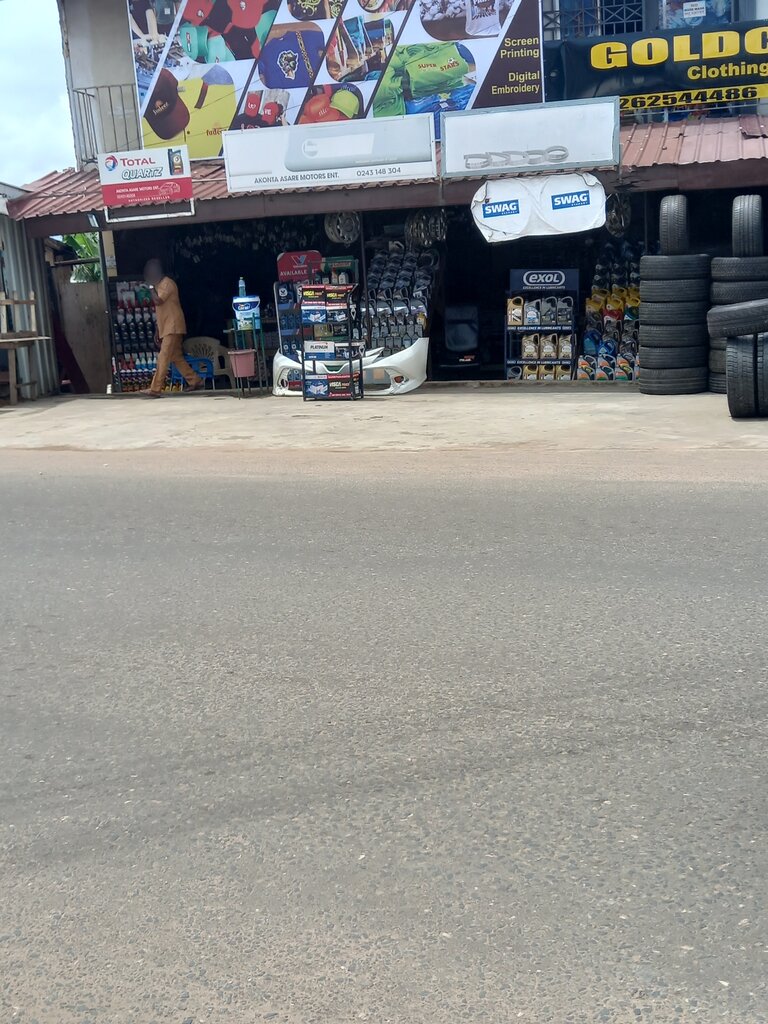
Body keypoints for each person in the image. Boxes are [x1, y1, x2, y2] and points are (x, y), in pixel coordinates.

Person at [143, 259, 203, 397]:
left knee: (163, 356)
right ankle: (195, 380)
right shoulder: (159, 285)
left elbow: (158, 301)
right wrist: (158, 330)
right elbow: (161, 311)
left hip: (173, 326)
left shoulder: (167, 283)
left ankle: (155, 388)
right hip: (168, 327)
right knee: (176, 357)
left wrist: (150, 287)